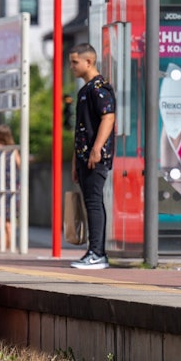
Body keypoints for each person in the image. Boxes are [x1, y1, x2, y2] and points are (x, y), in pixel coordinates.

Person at [69, 43, 115, 270]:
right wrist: (75, 162)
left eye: (75, 62)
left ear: (89, 62)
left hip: (95, 157)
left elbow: (108, 117)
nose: (71, 67)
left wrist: (96, 149)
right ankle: (94, 252)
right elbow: (80, 129)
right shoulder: (85, 90)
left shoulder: (99, 88)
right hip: (85, 157)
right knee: (91, 202)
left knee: (94, 202)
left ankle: (97, 253)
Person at [0, 124, 22, 251]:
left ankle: (3, 244)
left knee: (0, 218)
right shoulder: (13, 150)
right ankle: (10, 243)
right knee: (9, 219)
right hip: (12, 188)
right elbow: (20, 166)